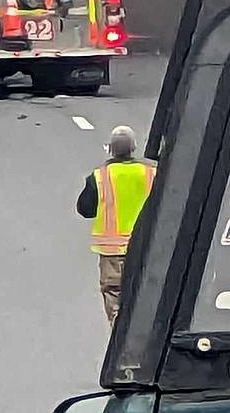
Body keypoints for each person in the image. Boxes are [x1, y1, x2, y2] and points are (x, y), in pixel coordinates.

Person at [77, 124, 156, 324]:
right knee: (147, 291)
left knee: (114, 293)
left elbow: (85, 209)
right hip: (148, 247)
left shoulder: (99, 177)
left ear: (111, 149)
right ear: (134, 148)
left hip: (113, 251)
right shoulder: (151, 173)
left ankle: (118, 333)